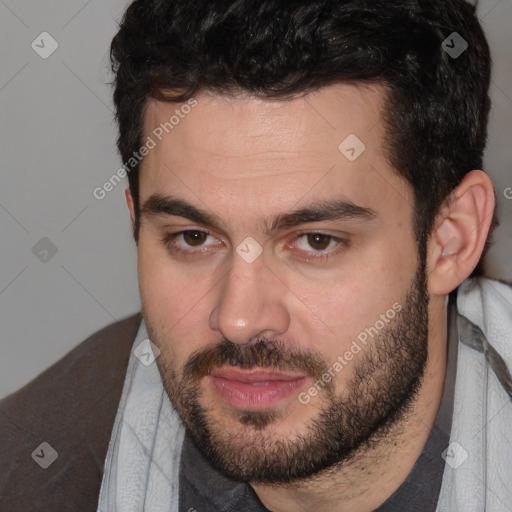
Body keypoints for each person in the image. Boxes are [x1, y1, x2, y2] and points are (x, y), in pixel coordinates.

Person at [1, 0, 511, 510]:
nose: (239, 319)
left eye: (316, 241)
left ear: (452, 239)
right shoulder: (31, 470)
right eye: (194, 238)